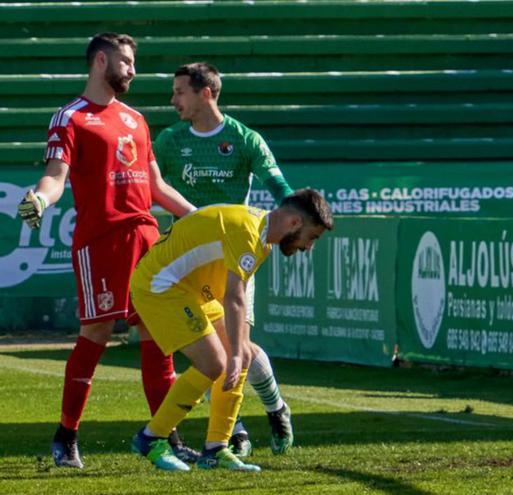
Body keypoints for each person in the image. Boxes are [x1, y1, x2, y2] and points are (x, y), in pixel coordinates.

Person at [16, 32, 198, 469]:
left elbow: (155, 187)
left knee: (159, 339)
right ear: (101, 61)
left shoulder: (136, 119)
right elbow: (56, 176)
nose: (133, 70)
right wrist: (40, 199)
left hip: (145, 238)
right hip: (100, 242)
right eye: (127, 62)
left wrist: (199, 214)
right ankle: (66, 435)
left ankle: (165, 438)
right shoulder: (69, 117)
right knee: (95, 335)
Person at [129, 190, 333, 471]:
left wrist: (240, 352)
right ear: (295, 223)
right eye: (312, 237)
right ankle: (151, 437)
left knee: (243, 354)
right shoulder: (249, 233)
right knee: (215, 363)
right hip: (161, 286)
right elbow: (234, 297)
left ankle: (216, 449)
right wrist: (235, 354)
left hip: (190, 292)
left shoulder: (260, 237)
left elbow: (236, 300)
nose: (308, 247)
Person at [153, 62, 296, 456]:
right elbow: (150, 183)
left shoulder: (244, 139)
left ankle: (275, 409)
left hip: (234, 258)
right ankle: (235, 432)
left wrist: (300, 216)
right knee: (218, 353)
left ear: (206, 93)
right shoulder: (168, 141)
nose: (173, 100)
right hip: (190, 260)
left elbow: (278, 185)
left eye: (180, 91)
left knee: (240, 346)